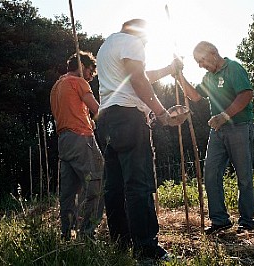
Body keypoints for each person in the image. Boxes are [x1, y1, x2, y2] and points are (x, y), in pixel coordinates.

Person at [95, 19, 183, 261]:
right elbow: (138, 80)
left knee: (114, 187)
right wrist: (162, 113)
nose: (146, 43)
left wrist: (168, 69)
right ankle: (146, 249)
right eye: (146, 39)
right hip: (128, 117)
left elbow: (138, 75)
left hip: (106, 120)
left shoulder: (107, 46)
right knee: (138, 184)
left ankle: (120, 245)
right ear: (140, 33)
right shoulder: (133, 42)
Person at [175, 41, 254, 234]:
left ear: (213, 53)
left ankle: (247, 220)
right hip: (218, 131)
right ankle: (220, 220)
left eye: (201, 60)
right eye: (197, 62)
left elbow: (246, 95)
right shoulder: (208, 77)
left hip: (239, 126)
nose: (200, 65)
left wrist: (225, 115)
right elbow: (194, 95)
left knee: (243, 176)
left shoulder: (233, 68)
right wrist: (179, 75)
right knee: (211, 173)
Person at [50, 51, 104, 240]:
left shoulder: (57, 86)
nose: (90, 76)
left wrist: (89, 120)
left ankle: (66, 232)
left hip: (64, 141)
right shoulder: (79, 82)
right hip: (81, 138)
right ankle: (87, 233)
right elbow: (97, 108)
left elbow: (70, 111)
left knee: (69, 191)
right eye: (90, 71)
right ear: (82, 67)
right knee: (96, 182)